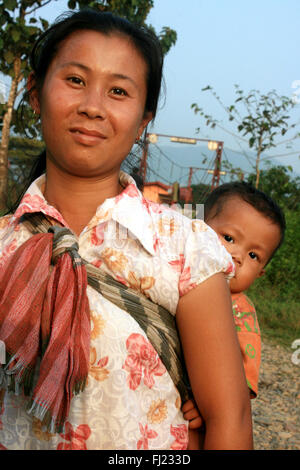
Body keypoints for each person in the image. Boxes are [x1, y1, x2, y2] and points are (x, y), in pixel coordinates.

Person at [0, 9, 253, 450]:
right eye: (75, 80)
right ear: (35, 94)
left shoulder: (184, 248)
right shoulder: (4, 244)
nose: (92, 106)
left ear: (143, 121)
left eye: (118, 90)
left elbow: (228, 418)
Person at [183, 181, 286, 447]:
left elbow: (243, 374)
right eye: (228, 238)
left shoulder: (240, 311)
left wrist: (208, 402)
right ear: (196, 227)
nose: (237, 256)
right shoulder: (172, 274)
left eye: (253, 255)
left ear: (260, 272)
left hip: (198, 405)